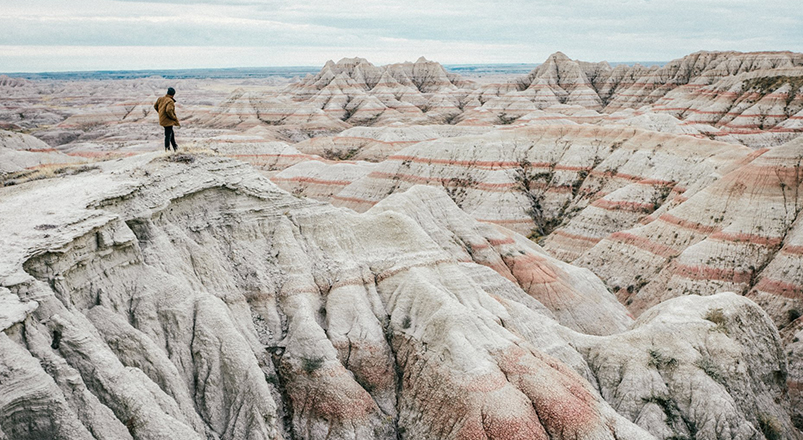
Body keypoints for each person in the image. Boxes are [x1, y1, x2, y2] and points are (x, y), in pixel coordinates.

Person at [154, 87, 180, 152]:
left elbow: (155, 106)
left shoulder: (160, 99)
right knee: (168, 135)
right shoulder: (170, 101)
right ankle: (167, 150)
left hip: (163, 120)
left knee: (171, 133)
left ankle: (175, 147)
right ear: (173, 94)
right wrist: (173, 117)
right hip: (168, 121)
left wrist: (161, 113)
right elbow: (169, 110)